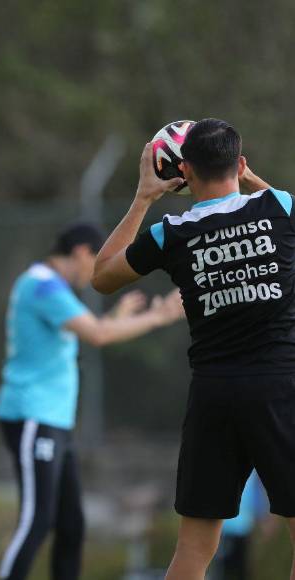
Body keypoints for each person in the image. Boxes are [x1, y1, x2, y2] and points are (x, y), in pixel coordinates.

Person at [92, 118, 295, 580]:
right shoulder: (279, 206)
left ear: (183, 171)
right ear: (239, 164)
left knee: (195, 547)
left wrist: (144, 198)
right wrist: (249, 178)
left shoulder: (172, 232)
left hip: (213, 396)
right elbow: (276, 203)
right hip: (279, 389)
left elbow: (102, 276)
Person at [0, 222, 185, 580]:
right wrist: (159, 316)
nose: (94, 273)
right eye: (95, 262)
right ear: (82, 252)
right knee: (37, 521)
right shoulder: (43, 285)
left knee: (71, 524)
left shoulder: (46, 285)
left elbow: (91, 329)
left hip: (54, 420)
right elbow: (97, 334)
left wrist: (116, 318)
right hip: (33, 415)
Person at [214, 471, 269, 580]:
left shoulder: (254, 468)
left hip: (244, 527)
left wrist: (263, 516)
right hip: (223, 528)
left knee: (243, 571)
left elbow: (257, 490)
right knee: (221, 571)